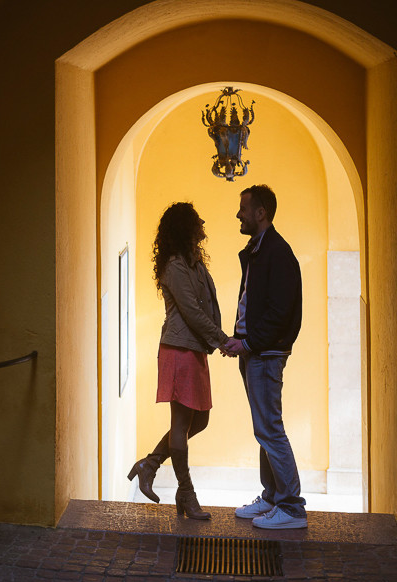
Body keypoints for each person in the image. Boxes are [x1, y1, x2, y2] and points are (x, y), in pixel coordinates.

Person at [128, 202, 231, 520]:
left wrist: (220, 338)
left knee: (199, 421)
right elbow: (191, 311)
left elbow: (207, 305)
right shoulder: (175, 266)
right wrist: (221, 339)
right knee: (182, 424)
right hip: (179, 351)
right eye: (195, 220)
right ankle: (186, 494)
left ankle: (150, 463)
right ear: (185, 228)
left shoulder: (194, 262)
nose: (203, 221)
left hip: (194, 350)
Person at [223, 184, 307, 529]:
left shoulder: (277, 252)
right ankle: (272, 497)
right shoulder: (259, 251)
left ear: (261, 213)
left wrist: (249, 343)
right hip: (256, 350)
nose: (238, 214)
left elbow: (279, 311)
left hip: (265, 354)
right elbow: (253, 305)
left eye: (244, 209)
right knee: (264, 428)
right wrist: (240, 338)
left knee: (270, 428)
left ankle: (291, 507)